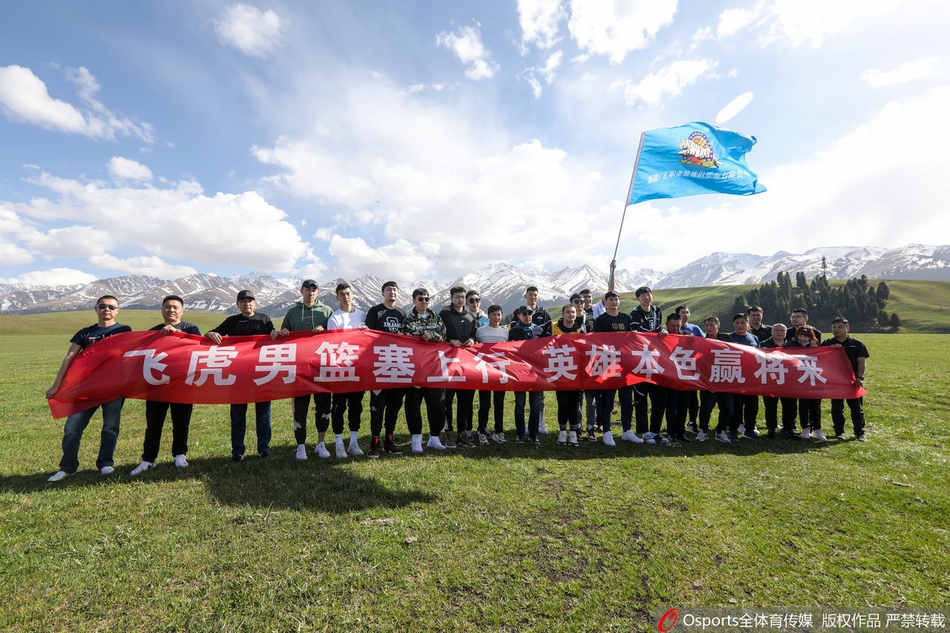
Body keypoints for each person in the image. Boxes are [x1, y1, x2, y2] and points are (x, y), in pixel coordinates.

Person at [46, 296, 133, 481]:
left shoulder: (124, 330)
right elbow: (69, 358)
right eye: (102, 306)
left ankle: (106, 464)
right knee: (72, 428)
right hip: (85, 389)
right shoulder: (85, 333)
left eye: (111, 307)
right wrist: (56, 384)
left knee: (110, 428)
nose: (106, 309)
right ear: (96, 309)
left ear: (118, 310)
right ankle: (67, 467)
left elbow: (133, 354)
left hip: (112, 388)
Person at [130, 295, 201, 475]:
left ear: (182, 311)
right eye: (168, 307)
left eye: (175, 307)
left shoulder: (191, 328)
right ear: (162, 310)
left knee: (181, 422)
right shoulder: (153, 332)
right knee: (154, 424)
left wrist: (176, 334)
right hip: (157, 385)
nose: (171, 310)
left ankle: (179, 454)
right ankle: (148, 459)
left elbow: (197, 348)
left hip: (182, 384)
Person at [205, 289, 278, 461]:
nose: (247, 304)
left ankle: (264, 449)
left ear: (255, 303)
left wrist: (274, 333)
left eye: (250, 300)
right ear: (238, 305)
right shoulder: (232, 321)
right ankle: (238, 450)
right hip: (238, 374)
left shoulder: (264, 319)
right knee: (237, 414)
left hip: (261, 373)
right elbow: (214, 333)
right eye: (243, 301)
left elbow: (273, 336)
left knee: (264, 414)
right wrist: (209, 333)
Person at [274, 280, 333, 459]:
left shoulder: (326, 311)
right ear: (301, 291)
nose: (311, 293)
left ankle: (320, 443)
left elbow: (336, 335)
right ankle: (300, 445)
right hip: (299, 370)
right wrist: (283, 332)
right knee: (300, 408)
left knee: (323, 406)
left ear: (318, 292)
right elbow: (284, 333)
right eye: (308, 289)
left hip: (322, 367)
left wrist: (325, 330)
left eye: (314, 290)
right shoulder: (292, 312)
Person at [592, 291, 641, 446]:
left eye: (616, 299)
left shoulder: (626, 319)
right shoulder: (600, 320)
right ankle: (607, 431)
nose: (614, 302)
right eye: (611, 299)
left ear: (619, 301)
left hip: (625, 365)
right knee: (608, 401)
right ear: (605, 302)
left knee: (627, 400)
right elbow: (598, 342)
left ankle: (627, 430)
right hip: (609, 365)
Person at [402, 288, 448, 453]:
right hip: (415, 369)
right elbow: (403, 340)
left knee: (437, 404)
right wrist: (420, 337)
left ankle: (434, 438)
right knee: (413, 405)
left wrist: (432, 336)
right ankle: (416, 439)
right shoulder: (408, 320)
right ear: (414, 300)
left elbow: (444, 336)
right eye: (421, 299)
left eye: (427, 299)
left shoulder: (437, 318)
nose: (424, 302)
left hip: (434, 368)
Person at [364, 281, 406, 458]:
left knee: (394, 406)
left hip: (398, 366)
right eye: (389, 290)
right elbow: (367, 335)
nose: (392, 292)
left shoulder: (403, 313)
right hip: (380, 367)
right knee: (377, 406)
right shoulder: (375, 311)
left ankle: (389, 440)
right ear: (383, 293)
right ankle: (374, 443)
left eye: (395, 290)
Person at [327, 282, 367, 458]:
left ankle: (353, 442)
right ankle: (338, 443)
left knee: (356, 406)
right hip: (340, 369)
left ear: (353, 295)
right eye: (342, 294)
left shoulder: (361, 315)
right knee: (338, 406)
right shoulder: (334, 318)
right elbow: (332, 343)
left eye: (348, 293)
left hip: (359, 368)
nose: (346, 297)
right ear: (337, 298)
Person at [629, 286, 669, 445]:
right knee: (641, 398)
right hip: (640, 361)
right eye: (643, 295)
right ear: (638, 299)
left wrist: (663, 332)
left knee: (660, 397)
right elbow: (636, 334)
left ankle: (655, 431)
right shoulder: (635, 313)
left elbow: (658, 330)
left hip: (656, 360)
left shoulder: (657, 311)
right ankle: (644, 432)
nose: (646, 297)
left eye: (648, 294)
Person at [440, 286, 478, 448]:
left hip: (467, 366)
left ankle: (462, 433)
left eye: (463, 297)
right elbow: (439, 333)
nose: (461, 300)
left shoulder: (471, 316)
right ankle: (449, 433)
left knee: (466, 401)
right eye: (457, 297)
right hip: (449, 366)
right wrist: (449, 340)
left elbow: (475, 334)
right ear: (451, 298)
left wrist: (472, 340)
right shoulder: (445, 314)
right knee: (447, 401)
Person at [821, 317, 868, 441]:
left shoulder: (857, 344)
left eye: (840, 327)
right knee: (837, 407)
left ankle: (859, 432)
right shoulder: (827, 343)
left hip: (852, 380)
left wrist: (860, 377)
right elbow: (820, 360)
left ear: (847, 328)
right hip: (835, 381)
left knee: (856, 408)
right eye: (834, 327)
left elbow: (861, 362)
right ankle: (839, 431)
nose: (836, 330)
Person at [508, 306, 544, 444]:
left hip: (535, 374)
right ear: (518, 316)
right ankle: (520, 433)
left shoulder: (539, 331)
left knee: (535, 405)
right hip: (519, 373)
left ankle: (533, 434)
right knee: (520, 404)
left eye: (530, 313)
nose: (528, 316)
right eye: (525, 314)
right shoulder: (513, 332)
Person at [475, 304, 509, 444]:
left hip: (500, 372)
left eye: (499, 315)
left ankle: (499, 431)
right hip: (484, 372)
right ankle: (482, 430)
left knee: (499, 403)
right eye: (494, 315)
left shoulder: (505, 332)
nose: (497, 318)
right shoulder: (480, 331)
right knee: (484, 403)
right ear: (488, 316)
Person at [698, 316, 734, 443]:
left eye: (711, 325)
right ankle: (703, 431)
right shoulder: (702, 341)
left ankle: (720, 431)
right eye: (706, 325)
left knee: (727, 408)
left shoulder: (727, 339)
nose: (708, 328)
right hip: (708, 379)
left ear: (718, 326)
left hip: (725, 378)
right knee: (706, 408)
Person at [552, 304, 584, 447]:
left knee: (574, 403)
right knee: (562, 402)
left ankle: (573, 433)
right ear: (562, 314)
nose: (571, 314)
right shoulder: (554, 328)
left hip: (576, 371)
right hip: (560, 370)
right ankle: (562, 432)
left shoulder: (581, 329)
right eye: (568, 312)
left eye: (573, 312)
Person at [759, 323, 798, 438]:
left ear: (786, 333)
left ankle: (789, 428)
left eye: (782, 330)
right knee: (770, 406)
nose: (779, 332)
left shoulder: (792, 345)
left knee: (790, 406)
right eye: (777, 330)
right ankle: (771, 428)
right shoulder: (764, 345)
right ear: (772, 332)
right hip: (770, 380)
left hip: (788, 381)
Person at [728, 313, 761, 441]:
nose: (740, 325)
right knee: (736, 405)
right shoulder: (729, 337)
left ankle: (750, 429)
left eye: (743, 323)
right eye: (737, 323)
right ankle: (733, 430)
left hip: (751, 377)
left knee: (752, 404)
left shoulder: (754, 338)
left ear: (748, 324)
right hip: (735, 376)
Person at [790, 325, 826, 440]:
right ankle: (805, 428)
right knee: (803, 405)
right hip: (800, 380)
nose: (803, 339)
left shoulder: (818, 349)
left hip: (815, 379)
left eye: (806, 336)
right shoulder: (792, 347)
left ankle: (817, 429)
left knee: (816, 405)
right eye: (800, 336)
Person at [675, 304, 704, 433]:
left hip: (692, 366)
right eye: (683, 312)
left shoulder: (695, 328)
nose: (686, 315)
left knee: (693, 397)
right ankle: (676, 423)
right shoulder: (673, 329)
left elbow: (706, 343)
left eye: (687, 312)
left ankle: (692, 421)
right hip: (676, 366)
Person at [663, 313, 691, 442]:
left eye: (678, 326)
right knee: (672, 406)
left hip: (685, 378)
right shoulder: (663, 336)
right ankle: (671, 432)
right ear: (667, 324)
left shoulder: (687, 336)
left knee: (683, 406)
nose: (675, 328)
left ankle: (681, 432)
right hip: (670, 377)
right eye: (672, 326)